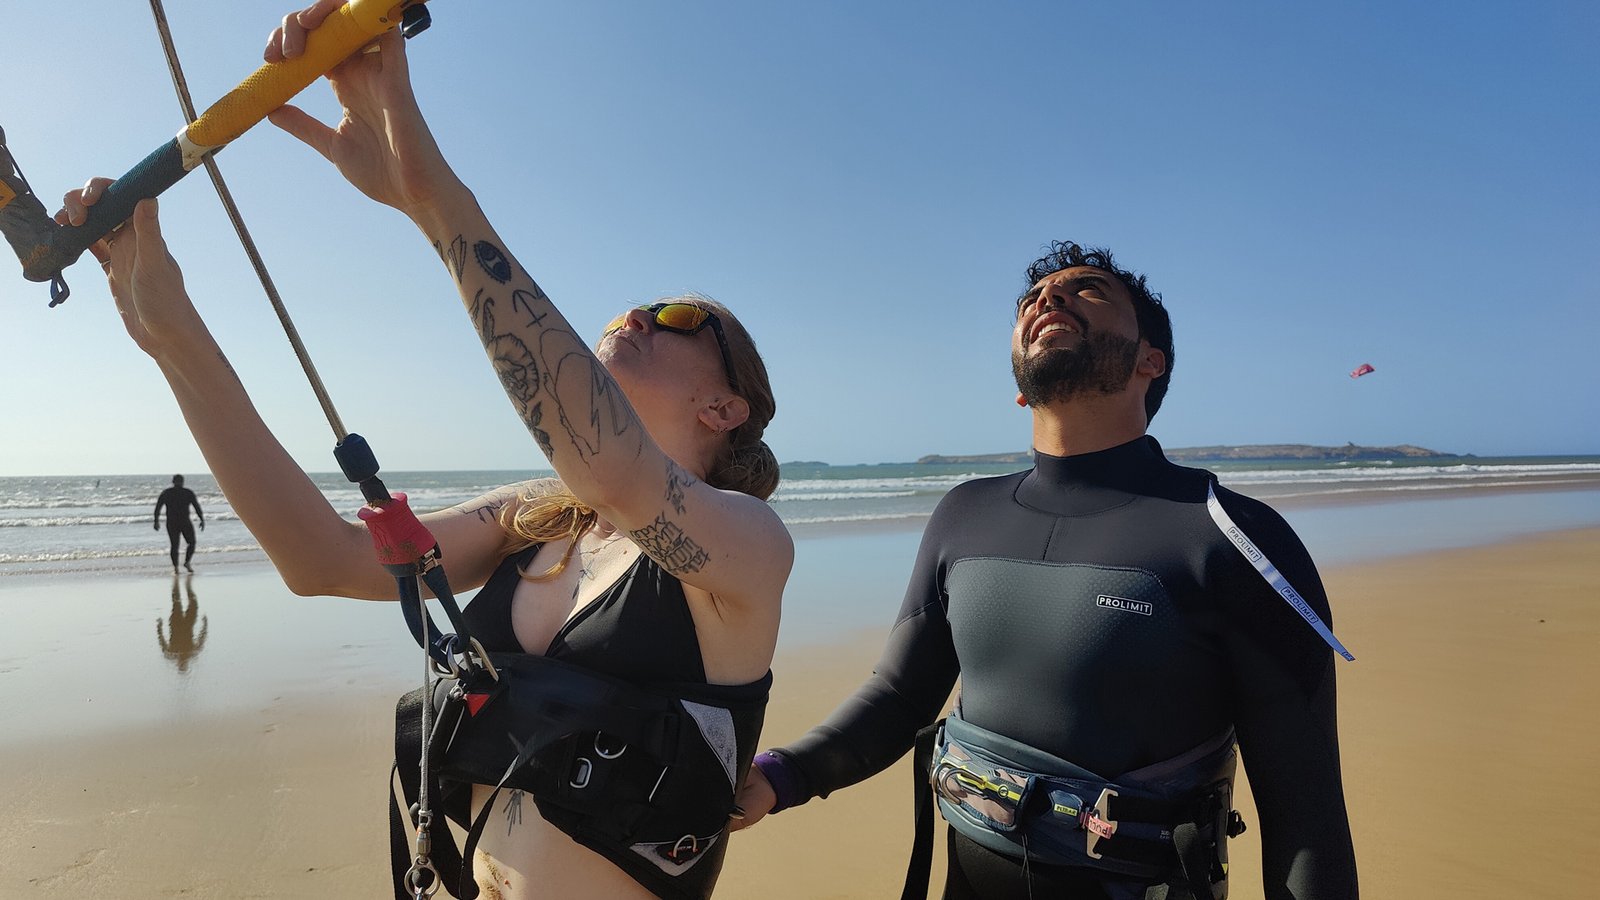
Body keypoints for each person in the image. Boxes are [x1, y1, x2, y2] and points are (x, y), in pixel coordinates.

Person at [58, 3, 792, 897]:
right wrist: (167, 326)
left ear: (726, 404)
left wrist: (428, 191)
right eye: (618, 315)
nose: (634, 316)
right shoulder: (536, 518)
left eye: (680, 318)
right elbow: (321, 559)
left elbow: (613, 467)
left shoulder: (749, 552)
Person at [733, 242, 1359, 899]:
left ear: (1152, 360)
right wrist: (780, 775)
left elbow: (1307, 819)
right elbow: (899, 696)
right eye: (1033, 299)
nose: (1048, 300)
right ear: (1018, 384)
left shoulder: (1238, 540)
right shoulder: (962, 514)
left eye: (1088, 291)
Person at [153, 473, 204, 573]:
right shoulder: (187, 492)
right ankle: (186, 563)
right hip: (184, 521)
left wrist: (156, 521)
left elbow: (158, 508)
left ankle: (176, 567)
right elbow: (196, 507)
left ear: (173, 482)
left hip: (172, 522)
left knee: (175, 545)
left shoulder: (166, 493)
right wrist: (201, 519)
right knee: (191, 543)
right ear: (182, 482)